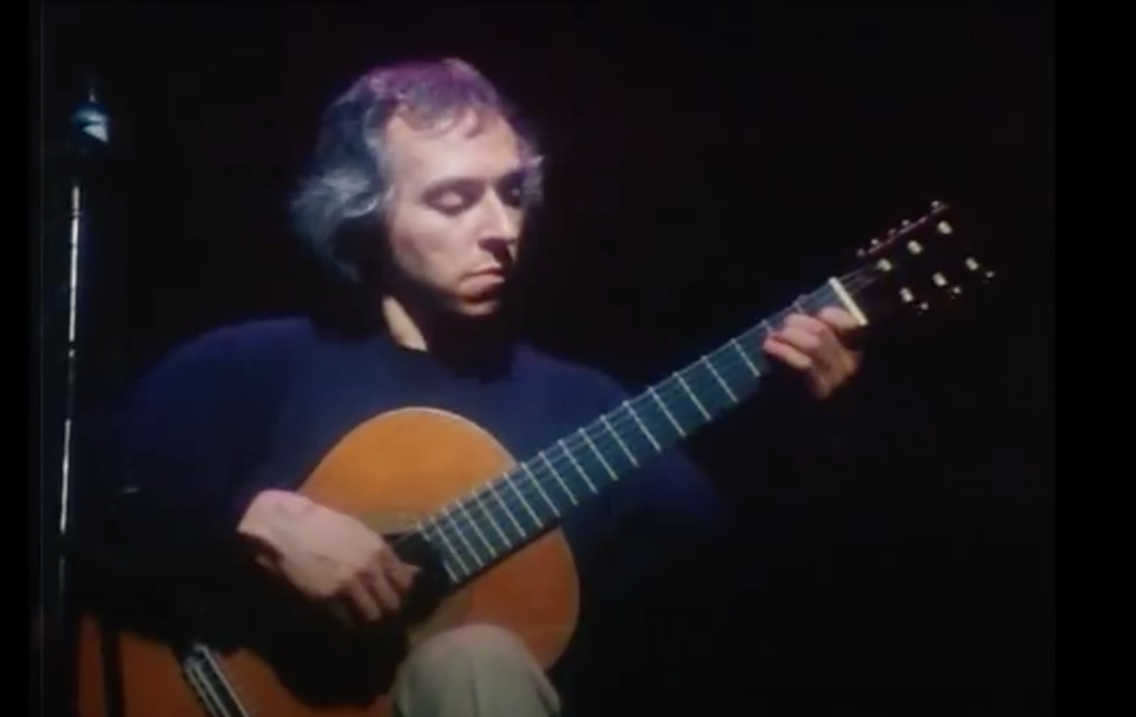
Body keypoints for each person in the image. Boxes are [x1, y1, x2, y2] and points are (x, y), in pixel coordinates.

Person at [85, 58, 864, 717]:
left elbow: (739, 595)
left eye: (512, 192)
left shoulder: (584, 407)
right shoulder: (255, 366)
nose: (503, 228)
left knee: (472, 659)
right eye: (455, 200)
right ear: (366, 214)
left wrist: (807, 426)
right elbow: (81, 478)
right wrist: (261, 522)